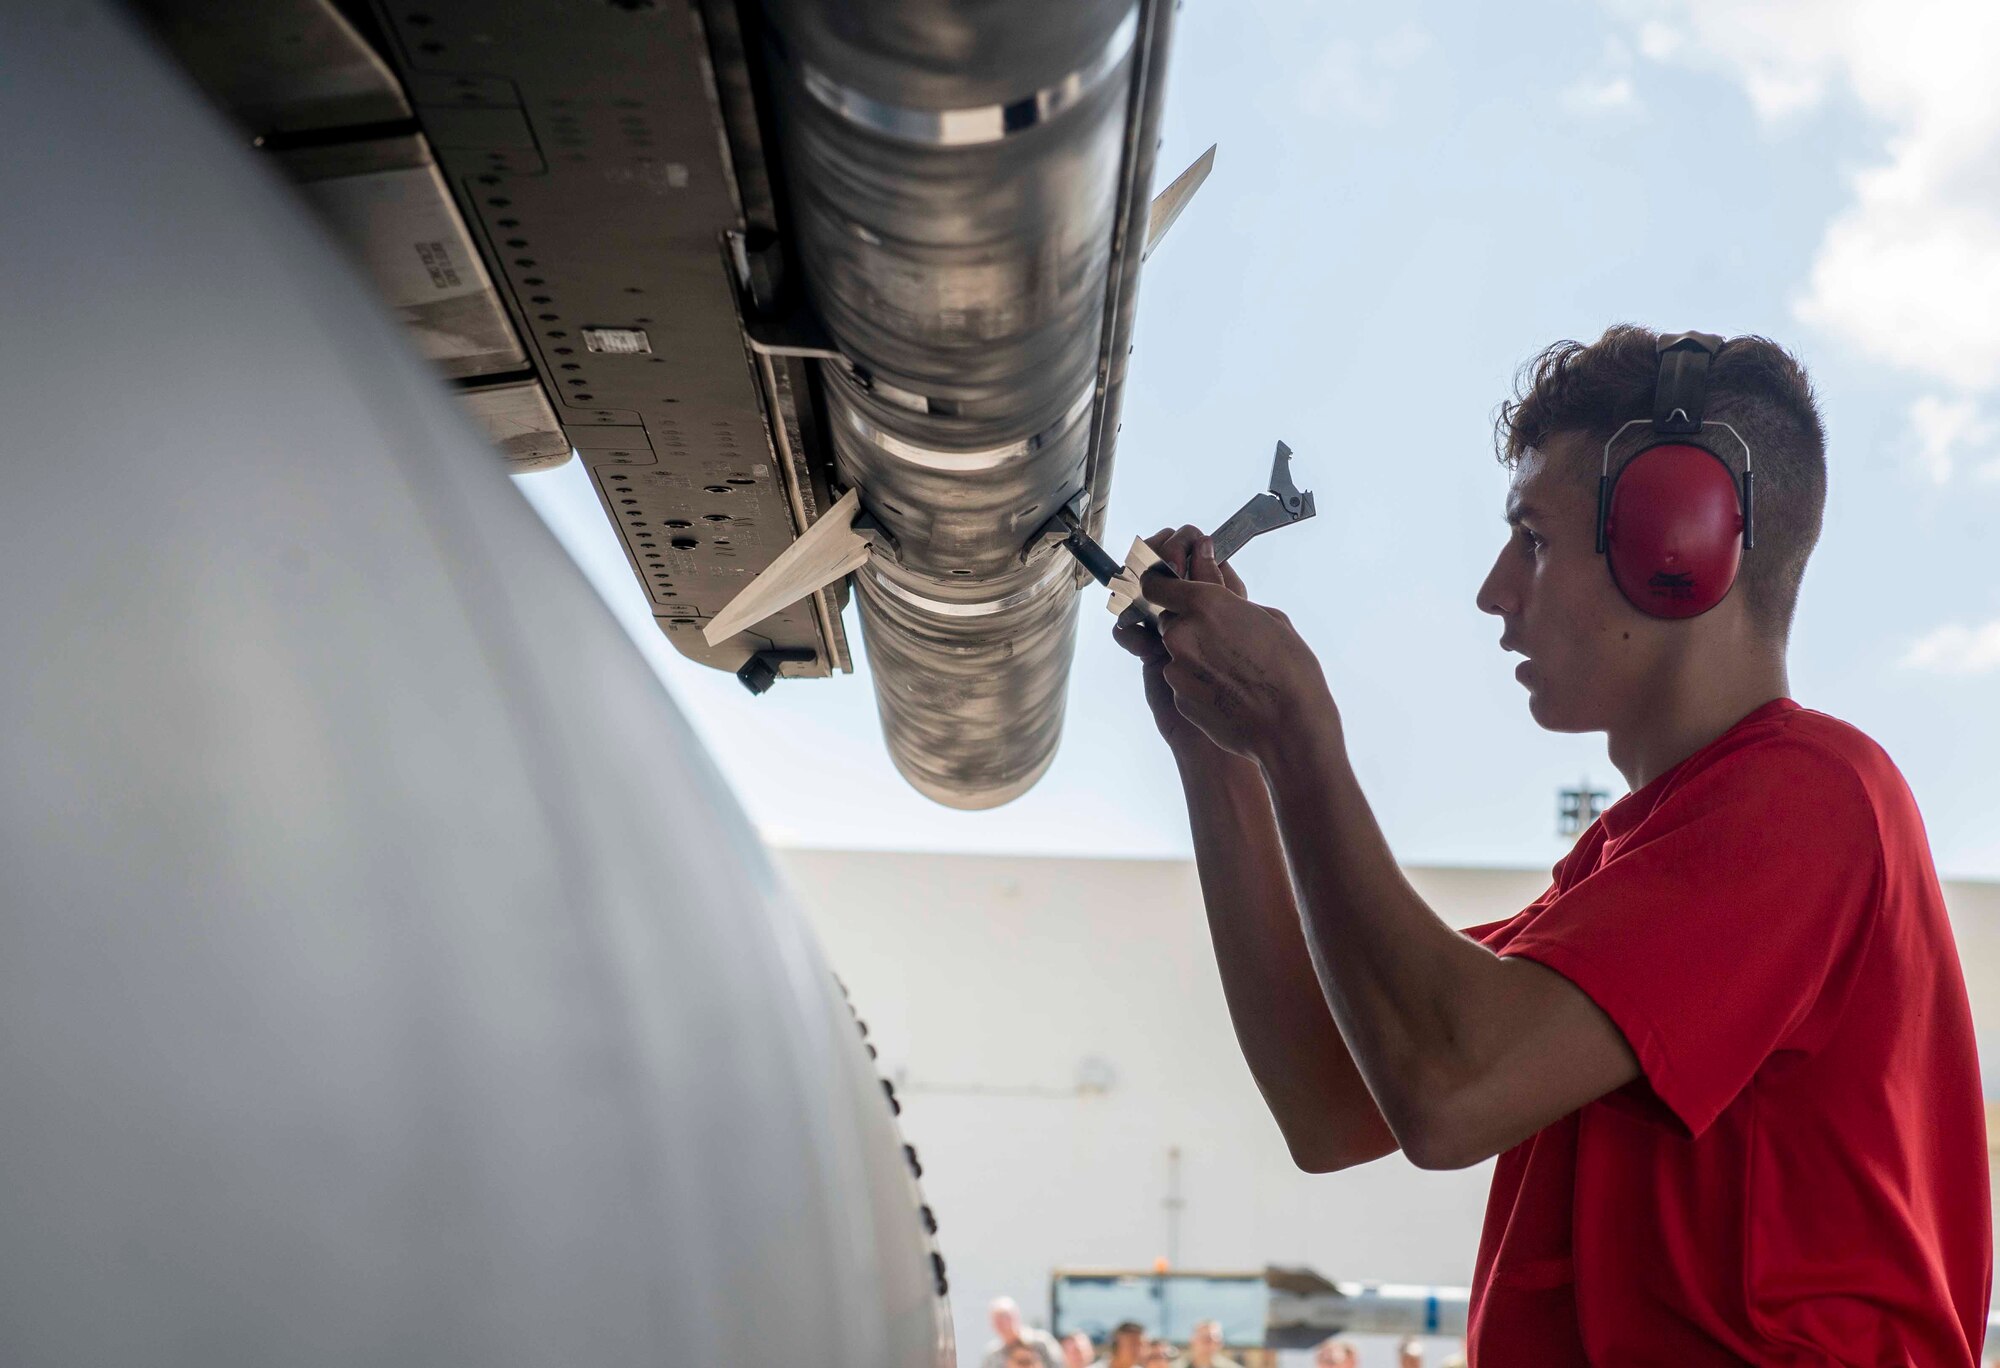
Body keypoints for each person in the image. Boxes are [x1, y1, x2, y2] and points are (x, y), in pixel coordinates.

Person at [1118, 327, 1991, 1362]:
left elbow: (1445, 1089)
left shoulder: (1810, 800)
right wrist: (1220, 758)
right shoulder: (1627, 876)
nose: (1494, 590)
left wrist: (1297, 735)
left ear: (1680, 543)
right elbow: (1329, 1102)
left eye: (1529, 537)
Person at [983, 1296, 1061, 1368]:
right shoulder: (992, 1355)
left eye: (1006, 1317)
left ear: (1016, 1317)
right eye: (998, 1320)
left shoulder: (1042, 1343)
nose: (1003, 1324)